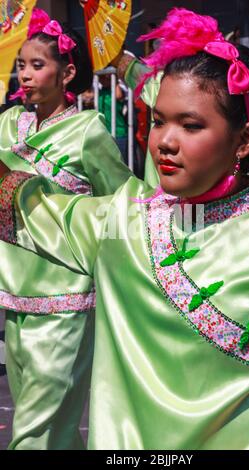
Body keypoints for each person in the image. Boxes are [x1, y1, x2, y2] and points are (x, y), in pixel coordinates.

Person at [0, 8, 249, 450]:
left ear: (246, 139)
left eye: (191, 125)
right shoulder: (120, 220)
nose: (165, 141)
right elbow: (28, 205)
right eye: (159, 121)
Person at [0, 8, 131, 450]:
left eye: (38, 65)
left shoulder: (87, 130)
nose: (26, 75)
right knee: (53, 429)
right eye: (21, 65)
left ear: (67, 72)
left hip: (67, 301)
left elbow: (122, 204)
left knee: (33, 433)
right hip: (14, 297)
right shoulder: (5, 125)